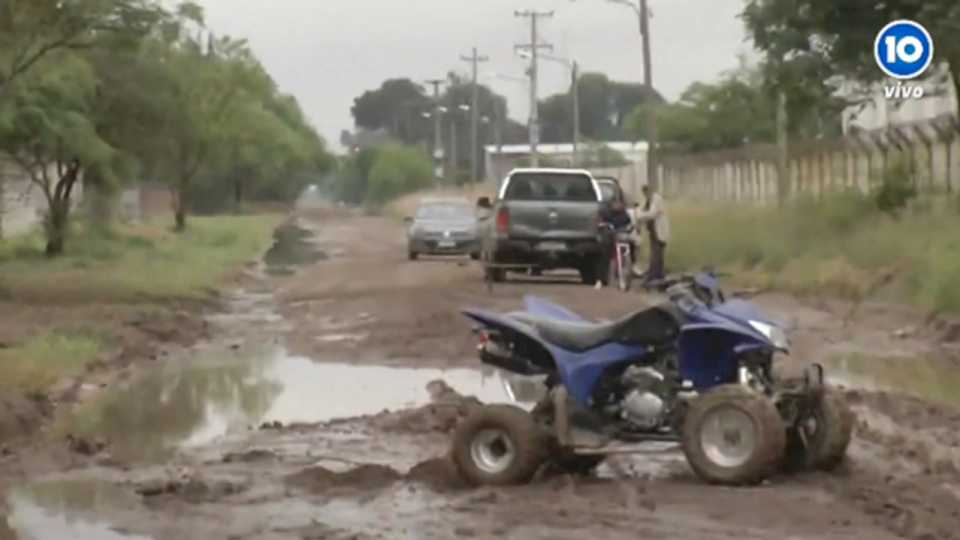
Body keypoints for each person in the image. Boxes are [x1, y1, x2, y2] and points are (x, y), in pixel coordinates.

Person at [633, 184, 670, 283]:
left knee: (657, 252)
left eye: (647, 191)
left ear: (651, 191)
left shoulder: (656, 199)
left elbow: (652, 214)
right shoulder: (646, 200)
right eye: (644, 192)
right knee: (655, 251)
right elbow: (640, 211)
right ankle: (657, 273)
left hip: (659, 229)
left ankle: (655, 274)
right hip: (652, 230)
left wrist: (639, 214)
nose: (645, 194)